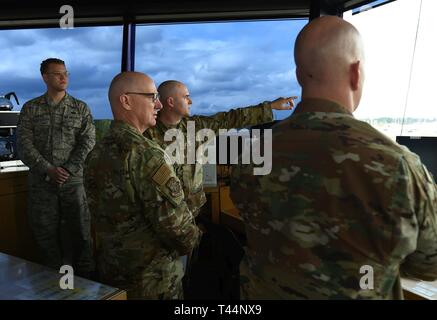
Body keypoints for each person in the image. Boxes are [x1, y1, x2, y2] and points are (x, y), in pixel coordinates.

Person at [230, 16, 437, 299]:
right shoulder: (396, 165)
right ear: (356, 72)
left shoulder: (253, 153)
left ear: (300, 75)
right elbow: (429, 264)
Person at [84, 72, 201, 299]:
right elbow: (177, 229)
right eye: (151, 97)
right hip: (153, 280)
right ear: (126, 101)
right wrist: (197, 241)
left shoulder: (96, 153)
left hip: (113, 272)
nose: (158, 104)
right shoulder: (147, 155)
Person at [145, 80, 295, 218]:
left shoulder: (194, 126)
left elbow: (230, 118)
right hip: (162, 216)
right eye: (186, 97)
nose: (190, 101)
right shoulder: (146, 135)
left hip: (192, 212)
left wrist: (271, 107)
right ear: (171, 102)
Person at [16, 58, 95, 277]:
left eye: (66, 73)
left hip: (73, 183)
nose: (64, 77)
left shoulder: (80, 108)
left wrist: (68, 169)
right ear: (45, 77)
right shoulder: (31, 108)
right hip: (42, 184)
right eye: (58, 74)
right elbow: (23, 144)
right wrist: (47, 169)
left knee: (81, 234)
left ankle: (89, 283)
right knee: (44, 235)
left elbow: (88, 141)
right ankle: (52, 283)